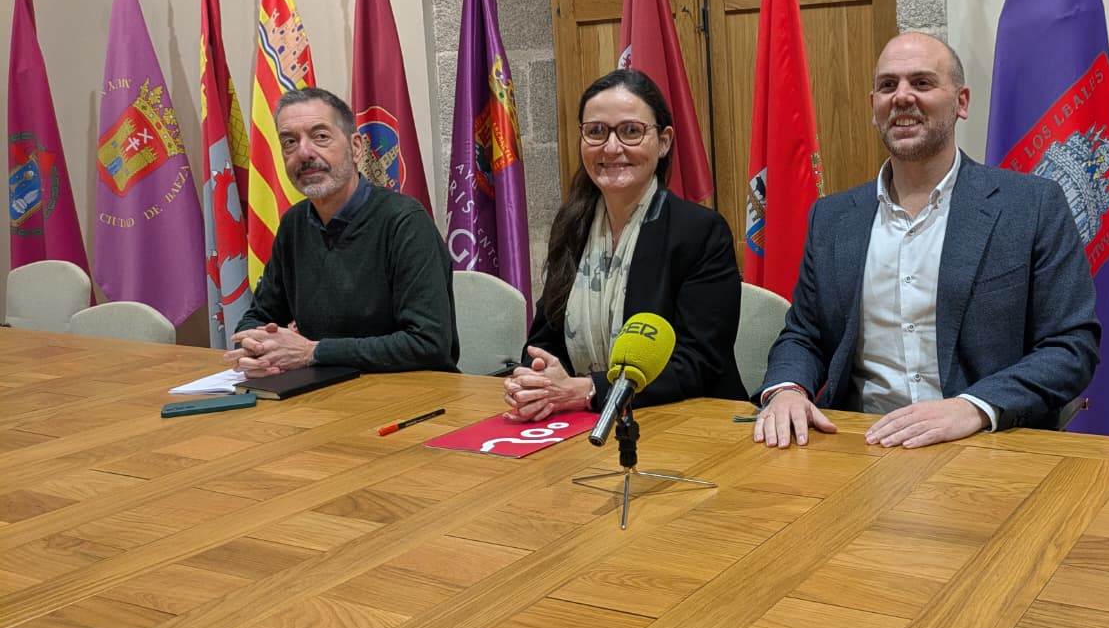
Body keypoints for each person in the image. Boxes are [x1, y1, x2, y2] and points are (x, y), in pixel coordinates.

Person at [753, 31, 1100, 449]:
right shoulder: (832, 218)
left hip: (986, 445)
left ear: (962, 102)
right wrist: (788, 388)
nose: (901, 97)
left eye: (922, 83)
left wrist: (974, 406)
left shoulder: (1031, 206)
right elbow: (804, 333)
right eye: (887, 85)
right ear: (873, 108)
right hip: (858, 445)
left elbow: (1071, 346)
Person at [503, 69, 743, 422]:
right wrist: (537, 379)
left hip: (687, 421)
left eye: (631, 131)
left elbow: (698, 363)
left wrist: (588, 390)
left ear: (663, 142)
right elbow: (546, 337)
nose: (612, 148)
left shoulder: (700, 232)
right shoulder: (573, 224)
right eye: (596, 132)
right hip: (582, 420)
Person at [227, 87, 458, 374]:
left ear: (357, 147)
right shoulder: (293, 224)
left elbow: (428, 343)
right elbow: (260, 315)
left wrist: (313, 352)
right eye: (289, 141)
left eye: (320, 136)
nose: (304, 152)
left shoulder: (404, 221)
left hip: (411, 393)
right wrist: (256, 347)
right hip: (323, 389)